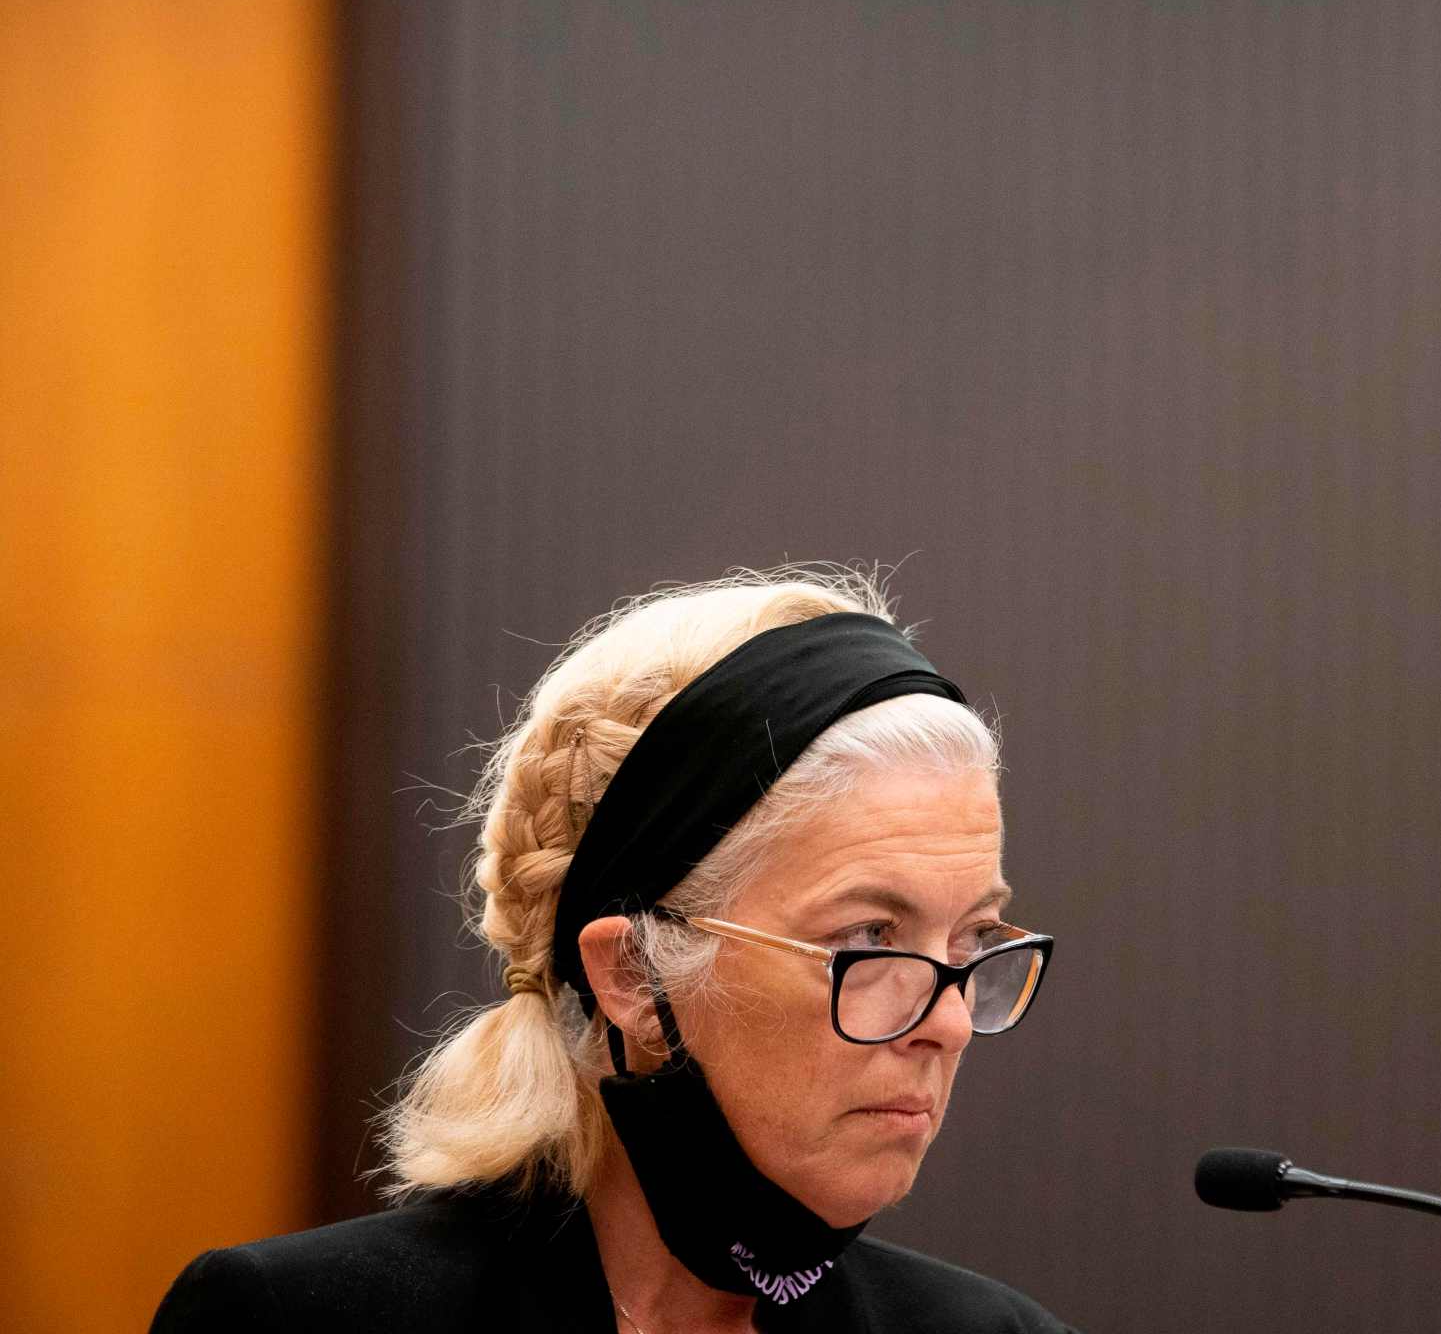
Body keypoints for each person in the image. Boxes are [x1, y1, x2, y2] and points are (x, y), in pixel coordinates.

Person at [151, 571, 1077, 1332]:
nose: (951, 1021)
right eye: (868, 938)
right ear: (632, 974)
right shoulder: (296, 1323)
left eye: (969, 941)